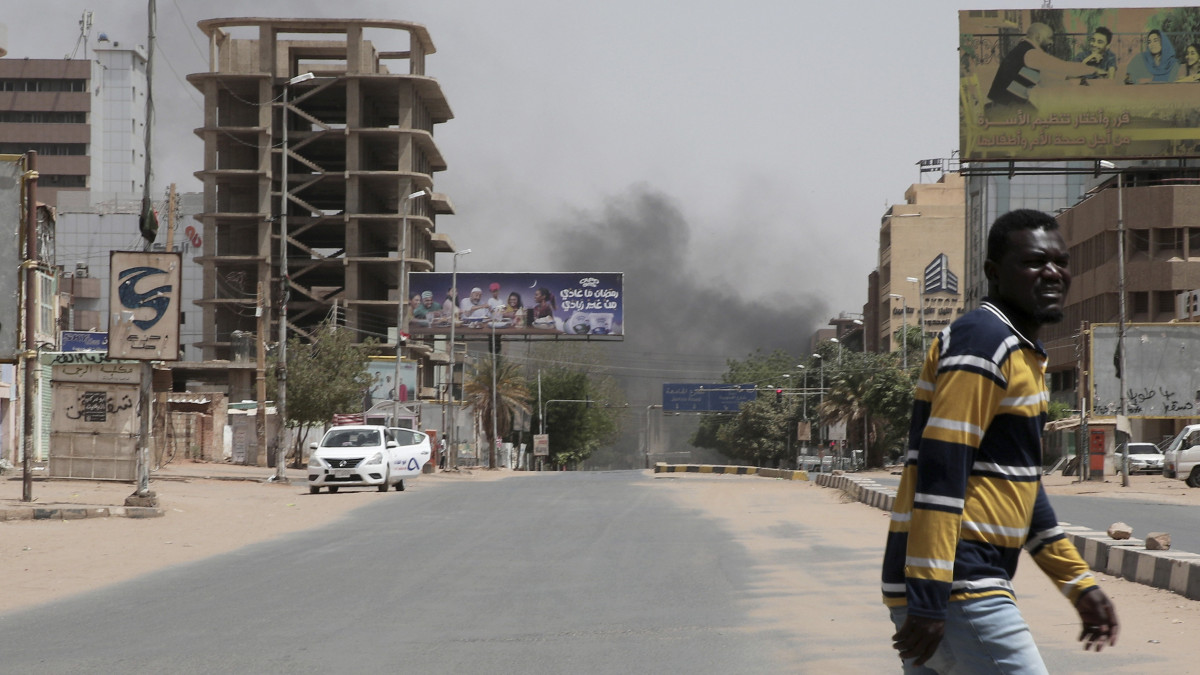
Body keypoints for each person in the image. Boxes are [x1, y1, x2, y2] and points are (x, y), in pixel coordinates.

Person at [884, 209, 1119, 672]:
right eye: (1034, 262)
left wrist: (1078, 585)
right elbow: (942, 467)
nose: (1053, 273)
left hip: (955, 583)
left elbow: (1023, 489)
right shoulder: (984, 340)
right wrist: (931, 597)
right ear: (994, 273)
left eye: (1060, 261)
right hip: (959, 583)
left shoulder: (1021, 354)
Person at [987, 23, 1107, 113]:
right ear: (1038, 37)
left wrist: (1077, 81)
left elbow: (1045, 80)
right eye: (1049, 38)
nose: (1052, 42)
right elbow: (1063, 67)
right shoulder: (1030, 53)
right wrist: (1094, 70)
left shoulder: (1024, 50)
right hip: (1005, 109)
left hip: (1005, 105)